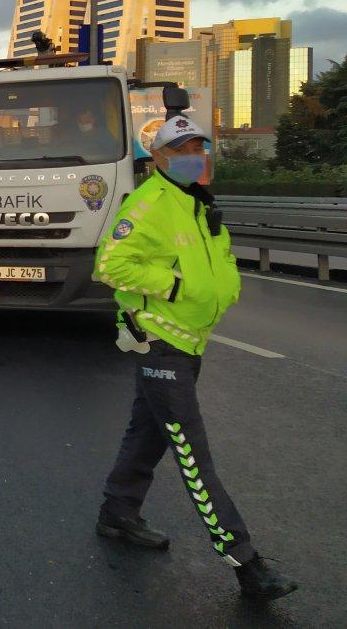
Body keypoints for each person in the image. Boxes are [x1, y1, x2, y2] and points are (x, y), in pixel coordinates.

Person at [92, 115, 298, 602]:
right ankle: (245, 561)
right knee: (192, 454)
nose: (194, 155)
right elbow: (109, 264)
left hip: (190, 341)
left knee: (148, 432)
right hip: (161, 342)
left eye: (199, 147)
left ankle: (118, 513)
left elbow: (216, 264)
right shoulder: (148, 205)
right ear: (159, 158)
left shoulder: (196, 204)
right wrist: (174, 285)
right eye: (182, 148)